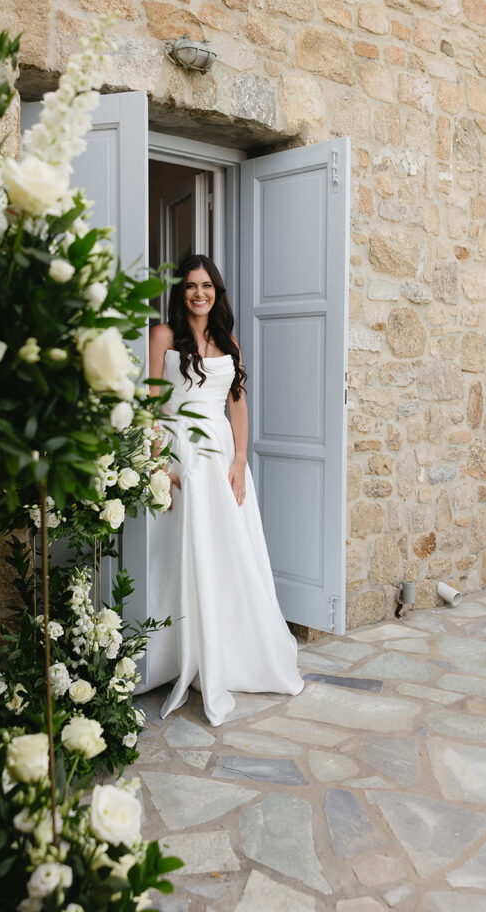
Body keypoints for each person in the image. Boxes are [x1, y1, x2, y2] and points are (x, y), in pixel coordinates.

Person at [144, 254, 304, 727]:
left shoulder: (229, 342)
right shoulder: (162, 337)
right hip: (180, 455)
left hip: (219, 458)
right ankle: (171, 656)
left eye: (207, 285)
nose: (199, 293)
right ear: (181, 291)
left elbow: (237, 406)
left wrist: (240, 460)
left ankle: (231, 648)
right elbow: (150, 404)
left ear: (217, 291)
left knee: (228, 553)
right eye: (191, 285)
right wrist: (157, 463)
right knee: (174, 554)